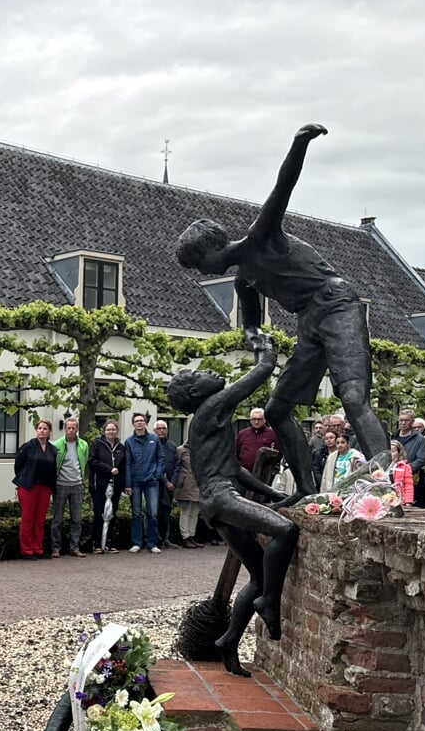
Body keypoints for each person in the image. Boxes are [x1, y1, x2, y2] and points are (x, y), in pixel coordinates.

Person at [177, 124, 388, 497]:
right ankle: (305, 490)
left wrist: (299, 143)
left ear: (210, 250)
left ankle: (383, 478)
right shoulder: (244, 280)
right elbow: (252, 323)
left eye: (197, 265)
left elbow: (283, 187)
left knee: (353, 396)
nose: (201, 273)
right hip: (308, 320)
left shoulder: (262, 237)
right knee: (277, 409)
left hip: (336, 304)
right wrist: (255, 336)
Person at [166, 331, 298, 676]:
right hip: (222, 498)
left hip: (217, 500)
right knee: (285, 531)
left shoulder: (204, 424)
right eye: (200, 375)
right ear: (197, 393)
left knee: (257, 575)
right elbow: (259, 374)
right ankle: (270, 602)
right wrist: (265, 348)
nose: (210, 372)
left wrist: (276, 497)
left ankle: (229, 640)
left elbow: (234, 469)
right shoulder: (212, 407)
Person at [13, 420, 56, 559]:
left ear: (49, 431)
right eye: (39, 428)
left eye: (45, 428)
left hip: (44, 487)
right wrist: (22, 480)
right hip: (28, 487)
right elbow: (18, 464)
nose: (42, 431)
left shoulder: (52, 449)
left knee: (40, 519)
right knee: (28, 518)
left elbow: (53, 468)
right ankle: (26, 550)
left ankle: (38, 548)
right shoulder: (28, 446)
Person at [123, 412, 162, 554]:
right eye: (136, 421)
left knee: (152, 513)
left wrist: (157, 474)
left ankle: (152, 543)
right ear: (133, 424)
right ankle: (137, 543)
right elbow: (127, 464)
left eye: (141, 420)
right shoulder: (129, 442)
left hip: (151, 482)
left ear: (145, 423)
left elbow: (160, 458)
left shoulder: (154, 439)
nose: (139, 423)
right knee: (136, 513)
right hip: (135, 482)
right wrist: (127, 484)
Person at [50, 417, 88, 557]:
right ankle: (56, 548)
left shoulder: (83, 445)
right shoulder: (56, 445)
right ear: (65, 429)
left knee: (76, 519)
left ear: (77, 429)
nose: (71, 430)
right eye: (68, 428)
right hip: (61, 485)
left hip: (77, 485)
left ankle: (75, 547)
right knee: (57, 519)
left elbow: (84, 462)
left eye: (73, 428)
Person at [88, 421, 126, 553]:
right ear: (104, 431)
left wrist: (124, 485)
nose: (111, 432)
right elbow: (92, 462)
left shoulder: (121, 447)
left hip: (115, 486)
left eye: (113, 430)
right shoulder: (96, 444)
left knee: (112, 515)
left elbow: (123, 467)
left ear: (117, 431)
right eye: (108, 430)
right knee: (99, 514)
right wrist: (109, 469)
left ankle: (109, 542)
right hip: (99, 485)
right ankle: (96, 543)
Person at [154, 419, 180, 548]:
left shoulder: (172, 446)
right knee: (155, 512)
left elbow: (177, 465)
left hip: (170, 485)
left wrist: (173, 482)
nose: (161, 431)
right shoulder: (151, 444)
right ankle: (155, 539)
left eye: (163, 428)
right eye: (159, 428)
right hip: (156, 484)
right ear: (154, 431)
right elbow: (153, 465)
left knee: (166, 512)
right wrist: (165, 482)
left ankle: (165, 539)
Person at [174, 441, 204, 547]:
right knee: (185, 512)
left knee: (195, 512)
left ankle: (192, 536)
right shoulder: (180, 450)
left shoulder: (201, 450)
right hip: (185, 485)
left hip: (198, 485)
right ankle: (185, 537)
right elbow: (175, 466)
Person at [235, 408, 277, 473]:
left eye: (259, 419)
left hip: (263, 474)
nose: (256, 422)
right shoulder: (243, 434)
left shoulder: (272, 435)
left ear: (264, 420)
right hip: (244, 473)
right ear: (250, 420)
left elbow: (278, 454)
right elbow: (236, 452)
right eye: (254, 419)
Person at [387, 440, 414, 506]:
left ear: (399, 453)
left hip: (400, 501)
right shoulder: (380, 466)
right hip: (385, 500)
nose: (390, 454)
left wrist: (408, 501)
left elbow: (408, 485)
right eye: (388, 451)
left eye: (393, 451)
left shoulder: (405, 467)